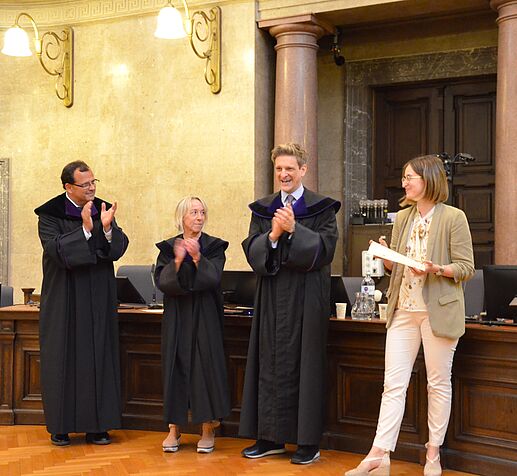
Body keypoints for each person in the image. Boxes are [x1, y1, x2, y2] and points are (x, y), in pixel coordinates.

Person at [344, 155, 474, 476]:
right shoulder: (402, 217)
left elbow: (466, 267)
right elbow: (398, 266)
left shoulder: (453, 217)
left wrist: (437, 269)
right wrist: (387, 257)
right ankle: (379, 453)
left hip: (437, 312)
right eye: (403, 177)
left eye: (410, 177)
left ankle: (433, 454)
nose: (404, 183)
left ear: (428, 179)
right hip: (403, 309)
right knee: (393, 385)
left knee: (437, 384)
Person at [239, 143, 341, 465]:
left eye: (290, 169)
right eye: (279, 169)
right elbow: (253, 251)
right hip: (271, 295)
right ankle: (269, 438)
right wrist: (272, 233)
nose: (284, 174)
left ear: (303, 170)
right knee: (268, 361)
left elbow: (326, 251)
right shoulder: (263, 209)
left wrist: (296, 230)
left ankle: (307, 442)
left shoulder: (321, 209)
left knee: (306, 364)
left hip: (306, 297)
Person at [34, 161, 128, 446]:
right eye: (85, 185)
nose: (92, 188)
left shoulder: (101, 208)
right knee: (62, 357)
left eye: (93, 182)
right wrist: (86, 231)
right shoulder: (49, 214)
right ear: (68, 187)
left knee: (99, 356)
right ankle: (60, 427)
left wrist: (107, 229)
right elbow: (56, 250)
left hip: (98, 297)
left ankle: (98, 427)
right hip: (64, 298)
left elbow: (117, 249)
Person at [155, 196, 230, 454]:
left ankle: (207, 429)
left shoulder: (214, 247)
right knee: (174, 367)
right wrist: (177, 261)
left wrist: (197, 258)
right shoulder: (168, 248)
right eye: (193, 212)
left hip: (205, 314)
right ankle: (174, 429)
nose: (199, 217)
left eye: (202, 212)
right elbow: (163, 283)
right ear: (182, 217)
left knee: (204, 368)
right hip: (177, 314)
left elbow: (214, 278)